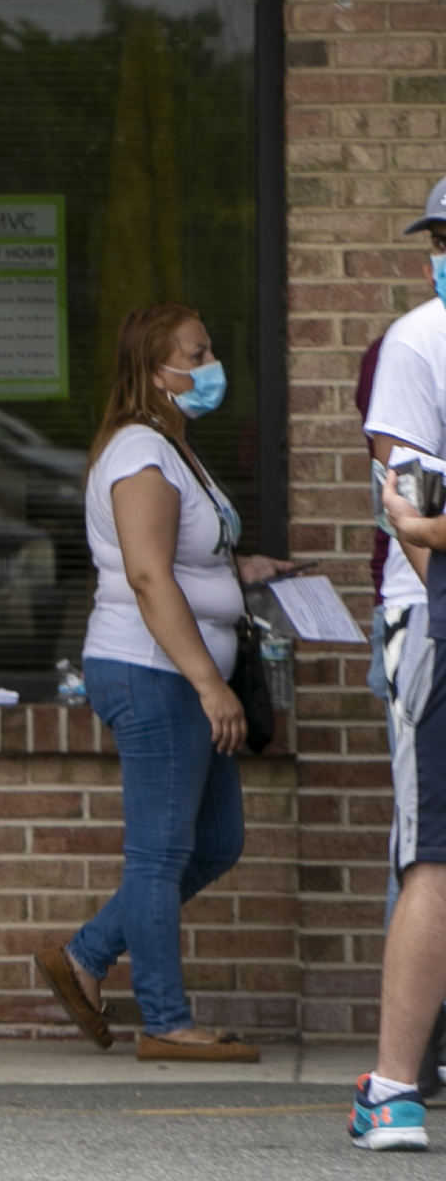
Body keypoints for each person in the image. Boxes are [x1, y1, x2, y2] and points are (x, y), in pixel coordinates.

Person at [36, 302, 292, 1065]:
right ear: (157, 371)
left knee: (215, 841)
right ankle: (166, 1020)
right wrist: (211, 685)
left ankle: (83, 957)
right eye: (199, 353)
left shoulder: (174, 449)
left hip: (177, 669)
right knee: (157, 853)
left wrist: (243, 571)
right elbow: (147, 576)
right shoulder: (140, 452)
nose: (212, 366)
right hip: (155, 673)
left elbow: (178, 560)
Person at [357, 174, 446, 1147]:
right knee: (433, 849)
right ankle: (395, 1084)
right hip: (433, 622)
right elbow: (411, 515)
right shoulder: (422, 343)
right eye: (442, 235)